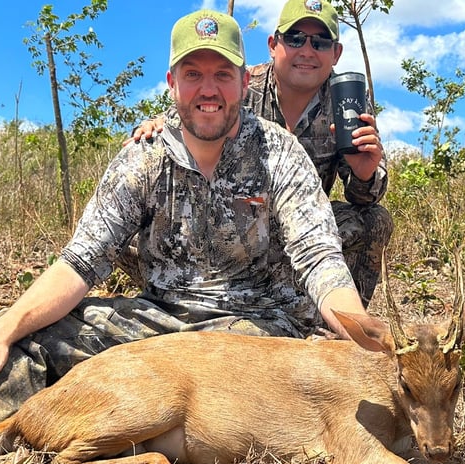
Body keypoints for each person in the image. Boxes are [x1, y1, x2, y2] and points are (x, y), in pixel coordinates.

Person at [0, 9, 370, 464]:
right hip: (161, 319)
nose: (209, 89)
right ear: (172, 83)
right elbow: (81, 261)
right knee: (47, 335)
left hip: (254, 330)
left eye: (223, 73)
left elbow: (319, 256)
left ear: (244, 82)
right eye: (193, 73)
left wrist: (360, 330)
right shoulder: (143, 157)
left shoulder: (282, 152)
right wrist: (0, 330)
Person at [127, 0, 393, 308]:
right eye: (295, 39)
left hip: (304, 225)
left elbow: (365, 197)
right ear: (273, 44)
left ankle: (342, 326)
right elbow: (189, 114)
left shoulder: (348, 100)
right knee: (131, 223)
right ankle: (175, 300)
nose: (307, 51)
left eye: (320, 42)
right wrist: (159, 125)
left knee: (374, 220)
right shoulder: (239, 84)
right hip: (233, 219)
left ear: (336, 54)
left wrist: (364, 173)